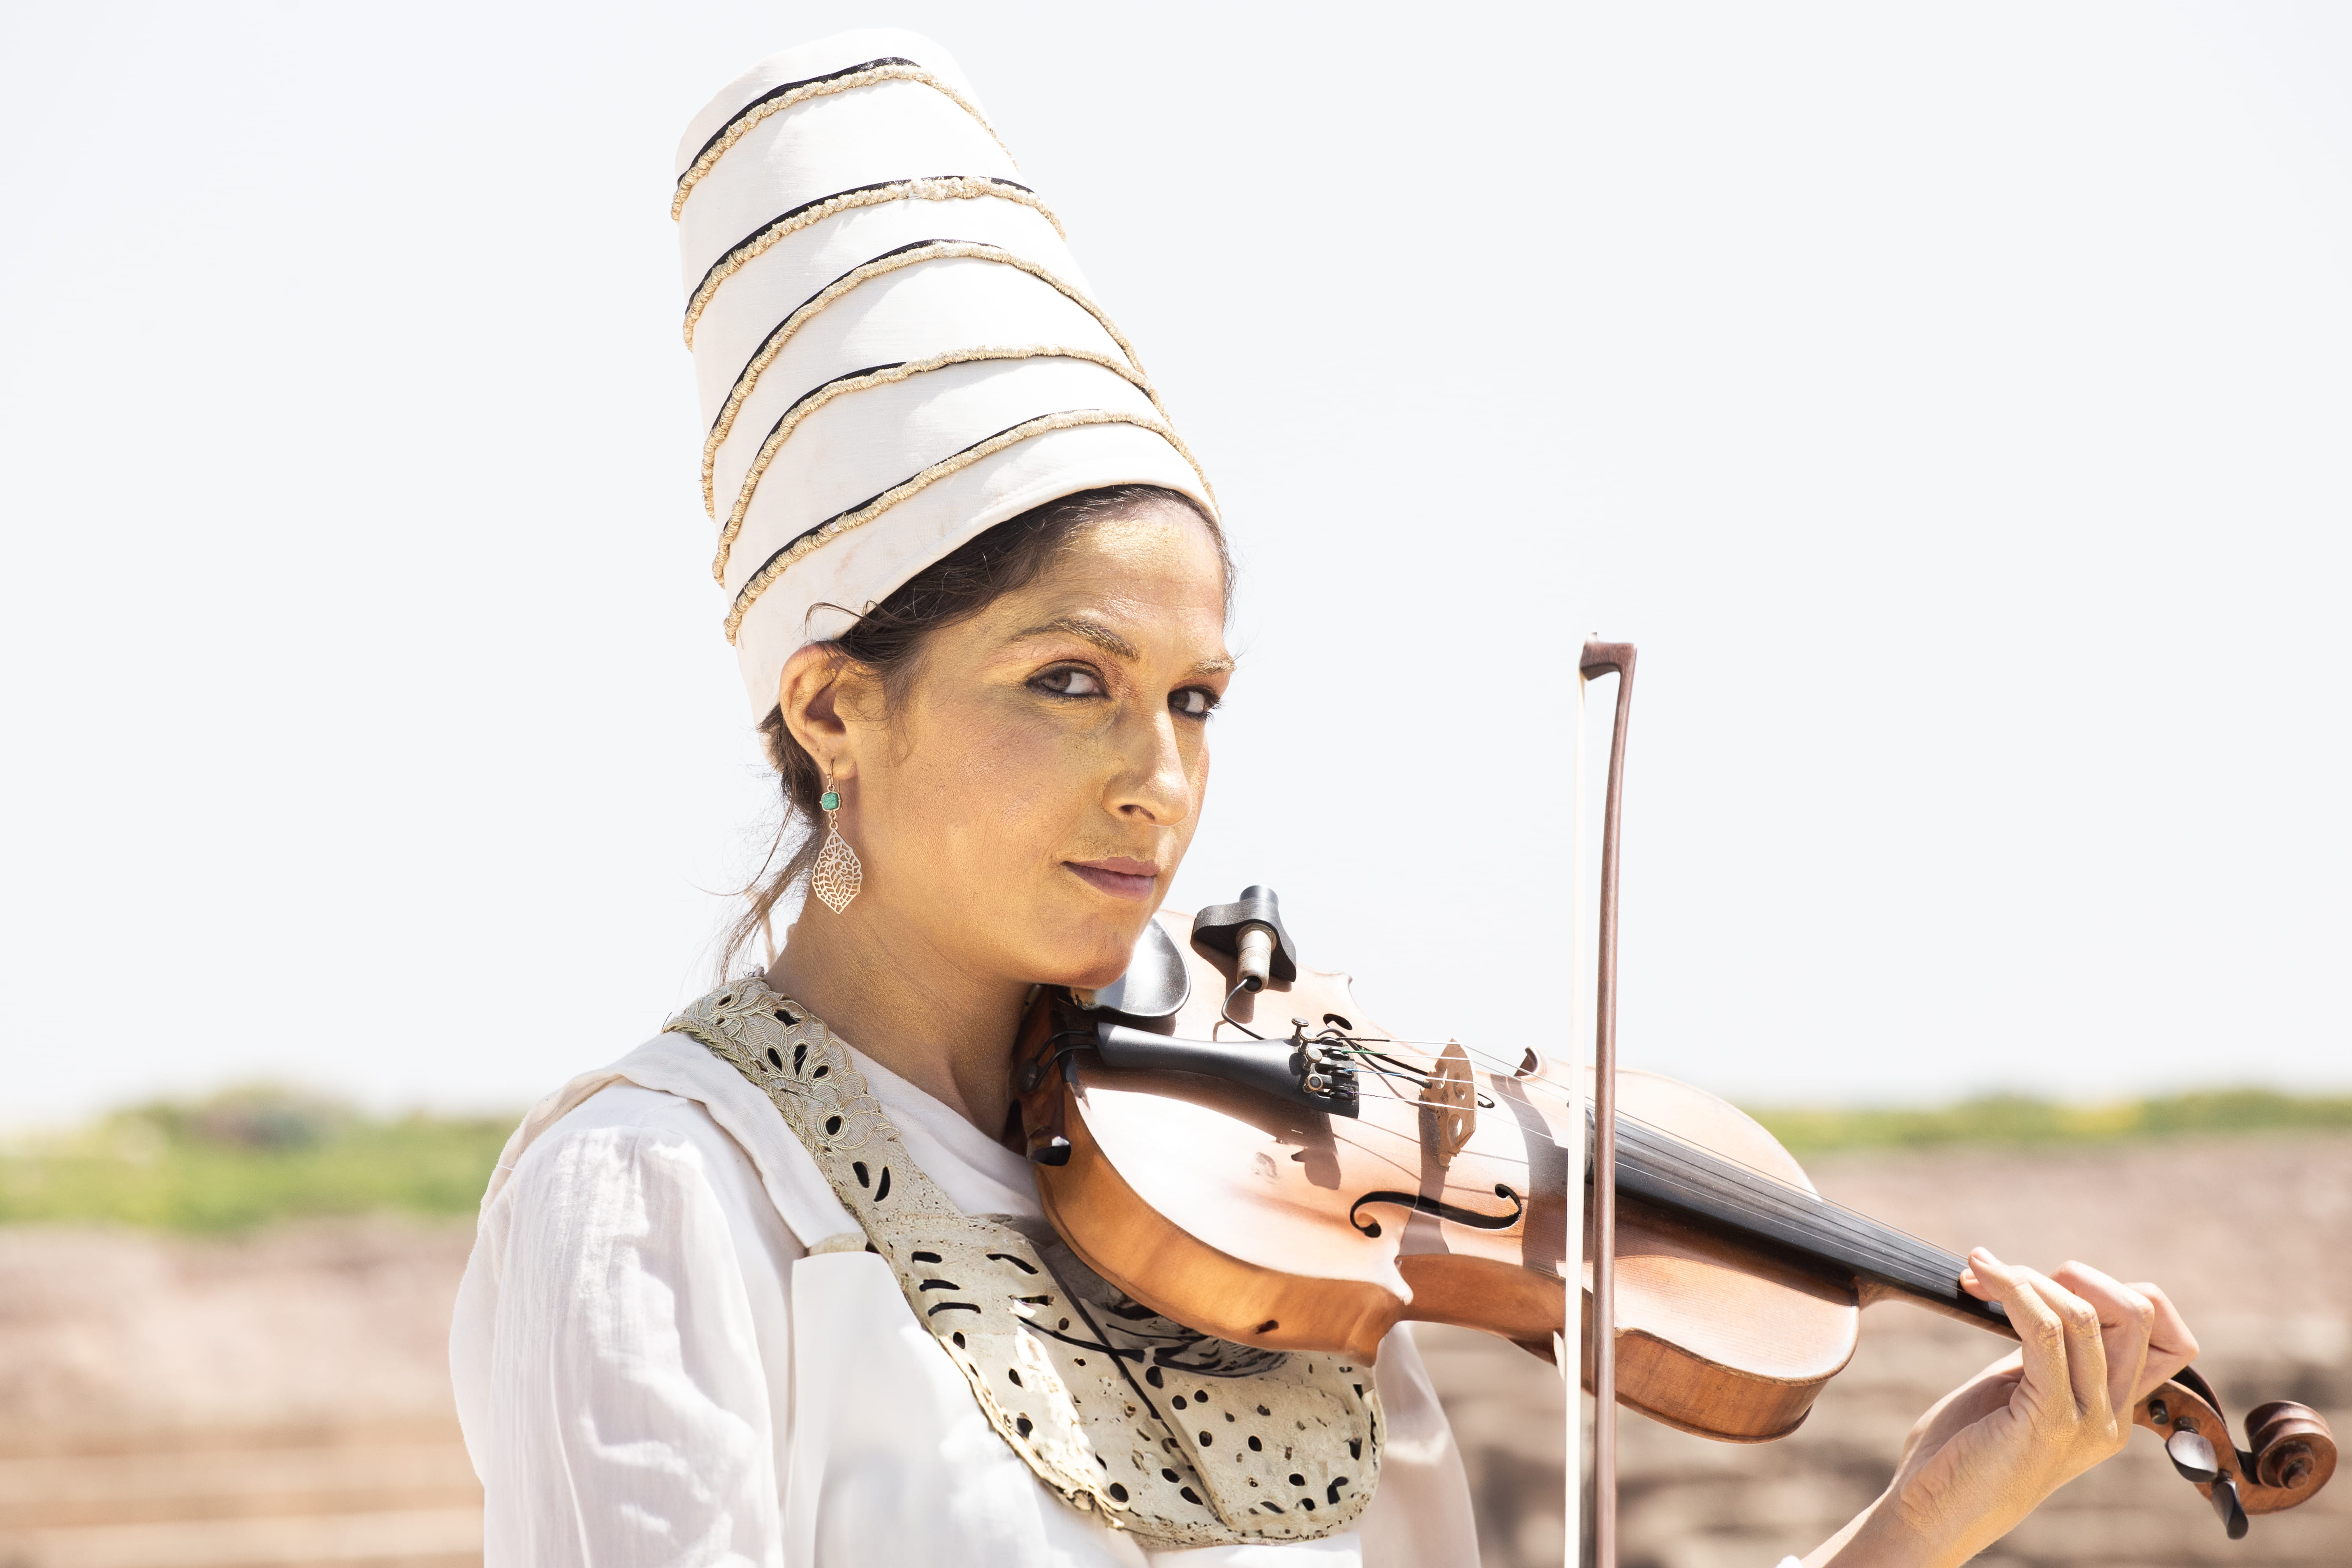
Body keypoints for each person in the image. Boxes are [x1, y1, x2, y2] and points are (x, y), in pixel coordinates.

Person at [449, 30, 2199, 1567]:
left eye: (1194, 700)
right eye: (1073, 683)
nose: (1161, 780)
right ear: (834, 707)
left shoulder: (1269, 1233)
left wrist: (1929, 1520)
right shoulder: (665, 1194)